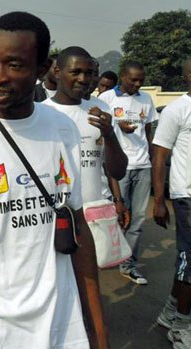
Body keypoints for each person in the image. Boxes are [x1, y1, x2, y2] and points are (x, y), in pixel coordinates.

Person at [0, 12, 107, 348]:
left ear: (42, 71)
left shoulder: (62, 129)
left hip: (60, 318)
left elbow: (78, 230)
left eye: (14, 65)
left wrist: (97, 332)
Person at [42, 46, 127, 204]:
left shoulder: (100, 113)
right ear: (57, 72)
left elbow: (118, 172)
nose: (83, 79)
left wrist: (110, 135)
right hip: (59, 217)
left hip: (96, 211)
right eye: (75, 72)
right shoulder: (42, 114)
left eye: (88, 73)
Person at [99, 60, 157, 285]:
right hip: (119, 167)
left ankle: (129, 264)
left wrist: (148, 154)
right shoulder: (106, 99)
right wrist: (116, 125)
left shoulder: (146, 99)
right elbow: (99, 129)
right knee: (118, 215)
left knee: (138, 219)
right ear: (123, 76)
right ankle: (111, 254)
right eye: (133, 79)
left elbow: (148, 128)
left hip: (142, 166)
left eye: (141, 80)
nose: (138, 84)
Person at [153, 59, 191, 348]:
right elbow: (160, 157)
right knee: (189, 261)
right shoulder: (177, 110)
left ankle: (171, 312)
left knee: (186, 262)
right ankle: (181, 325)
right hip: (186, 195)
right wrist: (159, 201)